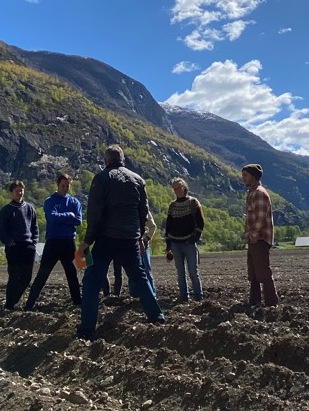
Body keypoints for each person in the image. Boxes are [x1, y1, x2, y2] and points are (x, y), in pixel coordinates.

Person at [74, 145, 164, 340]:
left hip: (106, 238)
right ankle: (156, 316)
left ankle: (87, 329)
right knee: (140, 278)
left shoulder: (101, 179)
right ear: (123, 159)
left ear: (105, 160)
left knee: (91, 282)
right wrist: (139, 236)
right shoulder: (138, 180)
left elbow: (95, 215)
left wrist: (86, 243)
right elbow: (143, 212)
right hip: (130, 238)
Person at [27, 173, 82, 310]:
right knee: (43, 273)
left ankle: (78, 302)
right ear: (58, 185)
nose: (65, 188)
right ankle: (30, 303)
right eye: (63, 186)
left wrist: (62, 218)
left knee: (72, 274)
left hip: (69, 242)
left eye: (67, 186)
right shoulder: (50, 200)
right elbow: (51, 218)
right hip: (53, 241)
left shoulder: (75, 202)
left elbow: (78, 221)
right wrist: (68, 215)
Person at [0, 180, 38, 310]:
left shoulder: (30, 208)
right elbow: (0, 230)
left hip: (28, 246)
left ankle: (14, 300)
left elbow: (34, 227)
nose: (19, 193)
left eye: (21, 190)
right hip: (14, 247)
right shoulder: (7, 210)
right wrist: (9, 242)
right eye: (16, 191)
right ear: (11, 193)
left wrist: (34, 242)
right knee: (14, 276)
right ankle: (9, 304)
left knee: (26, 278)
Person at [241, 163, 278, 307]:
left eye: (245, 175)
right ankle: (255, 301)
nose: (243, 178)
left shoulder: (259, 193)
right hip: (255, 238)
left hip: (260, 238)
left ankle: (271, 303)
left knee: (262, 272)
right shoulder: (253, 192)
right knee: (254, 273)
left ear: (253, 176)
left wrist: (253, 235)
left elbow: (260, 217)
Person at [164, 177, 206, 302]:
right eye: (174, 188)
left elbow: (200, 221)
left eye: (179, 187)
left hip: (189, 242)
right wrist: (168, 246)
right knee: (180, 273)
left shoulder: (193, 202)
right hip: (175, 243)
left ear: (184, 187)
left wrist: (195, 237)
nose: (177, 190)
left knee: (193, 271)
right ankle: (184, 297)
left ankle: (198, 297)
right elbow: (168, 226)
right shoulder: (172, 206)